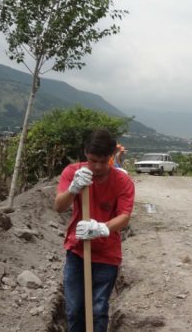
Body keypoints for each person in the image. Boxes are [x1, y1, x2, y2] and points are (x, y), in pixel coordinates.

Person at [54, 129, 135, 332]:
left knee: (98, 310)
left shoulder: (122, 181)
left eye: (103, 161)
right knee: (74, 309)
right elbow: (59, 207)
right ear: (85, 153)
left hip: (107, 255)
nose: (97, 167)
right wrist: (73, 189)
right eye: (92, 161)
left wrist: (101, 228)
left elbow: (124, 216)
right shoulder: (73, 173)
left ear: (111, 157)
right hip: (77, 251)